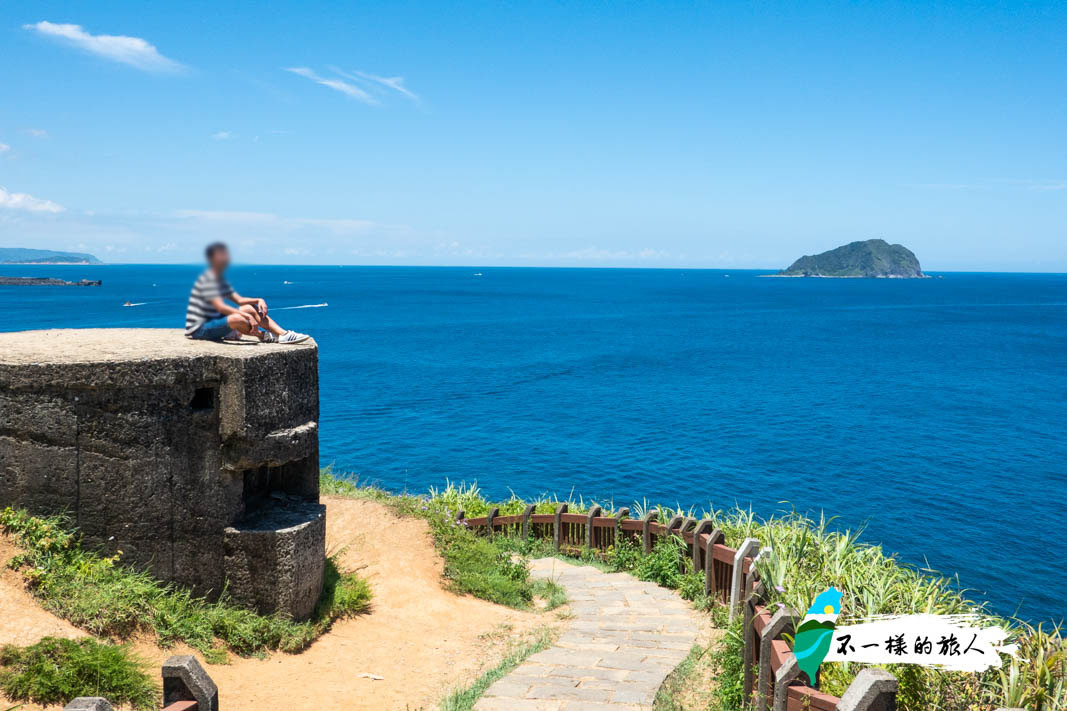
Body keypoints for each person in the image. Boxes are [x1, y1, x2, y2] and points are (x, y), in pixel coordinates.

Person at [185, 242, 310, 344]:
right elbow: (221, 307)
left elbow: (239, 300)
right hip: (199, 330)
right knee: (237, 318)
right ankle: (263, 335)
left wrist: (258, 300)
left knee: (248, 307)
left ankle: (283, 334)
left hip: (214, 322)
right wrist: (248, 317)